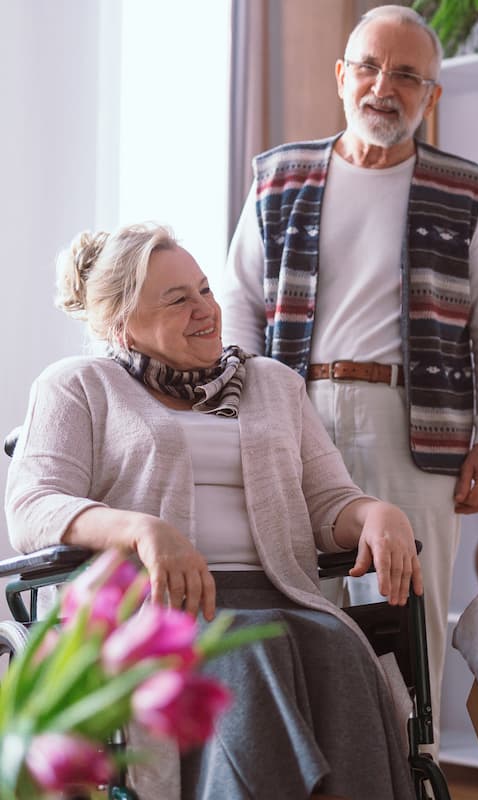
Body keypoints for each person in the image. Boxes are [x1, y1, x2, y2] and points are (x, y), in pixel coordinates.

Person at [6, 222, 422, 800]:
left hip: (284, 595)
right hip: (162, 607)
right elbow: (32, 505)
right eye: (177, 299)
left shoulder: (273, 384)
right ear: (121, 322)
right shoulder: (79, 385)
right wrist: (140, 530)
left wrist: (375, 513)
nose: (205, 309)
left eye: (204, 289)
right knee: (253, 650)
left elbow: (329, 503)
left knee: (340, 648)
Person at [214, 4, 478, 734]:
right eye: (372, 68)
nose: (386, 86)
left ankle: (415, 768)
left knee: (408, 613)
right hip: (293, 410)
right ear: (343, 76)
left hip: (416, 425)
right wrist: (244, 410)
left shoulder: (463, 188)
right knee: (299, 599)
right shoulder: (279, 177)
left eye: (408, 75)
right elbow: (239, 302)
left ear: (431, 97)